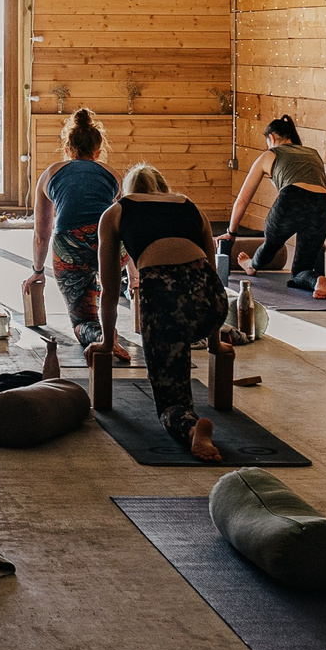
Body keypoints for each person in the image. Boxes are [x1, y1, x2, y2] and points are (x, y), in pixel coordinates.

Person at [97, 164, 229, 462]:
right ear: (164, 188)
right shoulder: (191, 207)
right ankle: (192, 413)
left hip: (168, 304)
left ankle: (192, 427)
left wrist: (107, 341)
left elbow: (109, 289)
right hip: (213, 304)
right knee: (186, 326)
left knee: (171, 403)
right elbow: (213, 275)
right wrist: (215, 342)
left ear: (128, 190)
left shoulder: (116, 212)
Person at [25, 107, 126, 358]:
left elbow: (42, 235)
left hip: (70, 247)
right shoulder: (113, 175)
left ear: (68, 149)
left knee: (82, 323)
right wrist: (134, 276)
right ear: (98, 151)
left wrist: (37, 272)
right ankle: (113, 306)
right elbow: (127, 225)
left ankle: (102, 335)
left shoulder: (50, 174)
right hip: (108, 243)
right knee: (110, 261)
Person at [222, 114, 326, 293]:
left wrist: (231, 232)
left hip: (291, 199)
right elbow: (315, 190)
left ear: (271, 138)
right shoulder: (313, 153)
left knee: (271, 244)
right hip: (322, 206)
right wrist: (317, 238)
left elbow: (243, 199)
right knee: (301, 270)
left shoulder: (270, 154)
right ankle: (318, 281)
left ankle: (251, 265)